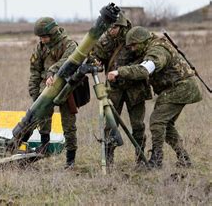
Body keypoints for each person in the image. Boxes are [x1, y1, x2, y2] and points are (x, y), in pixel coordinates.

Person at [107, 26, 202, 168]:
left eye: (134, 45)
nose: (132, 49)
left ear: (143, 41)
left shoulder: (157, 50)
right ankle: (184, 158)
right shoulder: (150, 46)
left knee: (157, 121)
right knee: (166, 124)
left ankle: (156, 160)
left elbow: (145, 70)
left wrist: (119, 72)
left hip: (182, 87)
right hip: (177, 87)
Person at [90, 12, 152, 166]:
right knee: (110, 124)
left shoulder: (136, 37)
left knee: (138, 125)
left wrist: (124, 71)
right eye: (109, 27)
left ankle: (140, 159)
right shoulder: (105, 41)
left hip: (135, 88)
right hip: (114, 89)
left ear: (122, 26)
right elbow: (97, 59)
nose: (110, 30)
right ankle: (108, 160)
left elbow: (145, 61)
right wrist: (95, 64)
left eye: (114, 27)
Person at [29, 17, 78, 168]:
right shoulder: (41, 47)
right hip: (46, 89)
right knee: (42, 117)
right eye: (40, 37)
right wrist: (34, 91)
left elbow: (68, 60)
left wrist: (52, 71)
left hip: (66, 89)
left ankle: (70, 159)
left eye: (44, 37)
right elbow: (35, 70)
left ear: (53, 32)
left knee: (68, 124)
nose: (42, 40)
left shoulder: (69, 44)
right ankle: (44, 147)